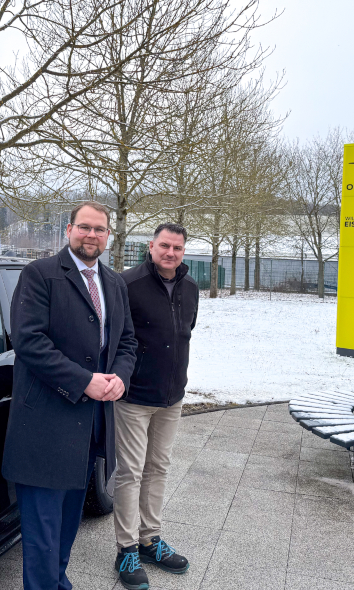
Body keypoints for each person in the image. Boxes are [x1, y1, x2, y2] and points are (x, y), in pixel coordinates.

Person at [2, 200, 138, 590]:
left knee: (66, 524)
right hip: (45, 425)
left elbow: (126, 342)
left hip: (90, 425)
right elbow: (29, 342)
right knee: (42, 531)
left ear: (108, 236)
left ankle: (58, 582)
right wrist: (84, 381)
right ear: (69, 229)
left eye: (99, 229)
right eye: (84, 227)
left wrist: (120, 379)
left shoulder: (113, 283)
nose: (91, 235)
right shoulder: (40, 274)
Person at [113, 223, 198, 590]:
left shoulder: (190, 289)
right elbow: (116, 340)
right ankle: (126, 549)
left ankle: (150, 539)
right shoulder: (127, 284)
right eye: (164, 246)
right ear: (151, 246)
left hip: (172, 397)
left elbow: (185, 333)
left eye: (177, 248)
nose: (171, 253)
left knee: (159, 468)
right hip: (134, 398)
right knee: (130, 473)